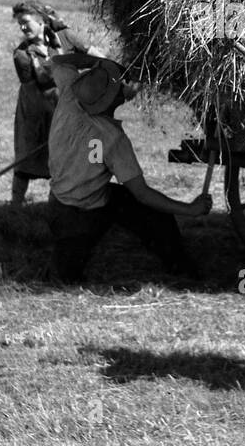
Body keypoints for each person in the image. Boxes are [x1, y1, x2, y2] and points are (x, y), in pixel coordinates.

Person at [46, 50, 212, 283]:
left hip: (57, 204)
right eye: (118, 89)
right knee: (67, 279)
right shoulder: (112, 139)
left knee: (121, 201)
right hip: (82, 218)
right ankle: (181, 268)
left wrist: (98, 63)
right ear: (112, 99)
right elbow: (142, 193)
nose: (123, 89)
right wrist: (189, 209)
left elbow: (59, 61)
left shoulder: (69, 98)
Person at [10, 2, 57, 205]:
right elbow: (40, 85)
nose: (23, 27)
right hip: (34, 114)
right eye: (20, 24)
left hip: (58, 110)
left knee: (61, 163)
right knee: (26, 162)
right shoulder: (21, 54)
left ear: (41, 21)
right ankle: (15, 206)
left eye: (26, 22)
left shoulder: (57, 45)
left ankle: (55, 207)